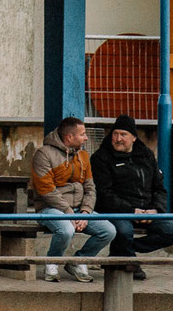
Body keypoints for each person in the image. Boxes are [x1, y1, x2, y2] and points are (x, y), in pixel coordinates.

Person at [90, 115, 173, 278]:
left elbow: (159, 188)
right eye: (115, 134)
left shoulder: (146, 155)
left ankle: (126, 251)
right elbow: (104, 194)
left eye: (123, 135)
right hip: (119, 211)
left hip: (147, 211)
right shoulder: (101, 158)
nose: (118, 139)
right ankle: (129, 261)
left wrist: (156, 209)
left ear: (133, 137)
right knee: (124, 231)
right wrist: (132, 210)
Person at [29, 116, 115, 282]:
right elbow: (47, 190)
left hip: (78, 211)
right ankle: (52, 262)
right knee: (66, 230)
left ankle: (78, 260)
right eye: (82, 134)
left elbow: (90, 187)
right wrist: (69, 213)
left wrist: (85, 211)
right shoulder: (43, 154)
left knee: (109, 230)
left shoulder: (83, 156)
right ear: (69, 137)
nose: (86, 138)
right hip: (50, 208)